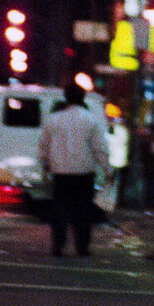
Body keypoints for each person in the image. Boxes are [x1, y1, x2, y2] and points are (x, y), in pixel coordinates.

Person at [38, 82, 112, 258]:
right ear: (83, 98)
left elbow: (43, 147)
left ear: (66, 97)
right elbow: (99, 148)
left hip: (60, 173)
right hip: (84, 174)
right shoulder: (91, 120)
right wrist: (107, 169)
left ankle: (58, 245)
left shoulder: (53, 120)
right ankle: (82, 247)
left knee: (60, 211)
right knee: (83, 212)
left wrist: (44, 168)